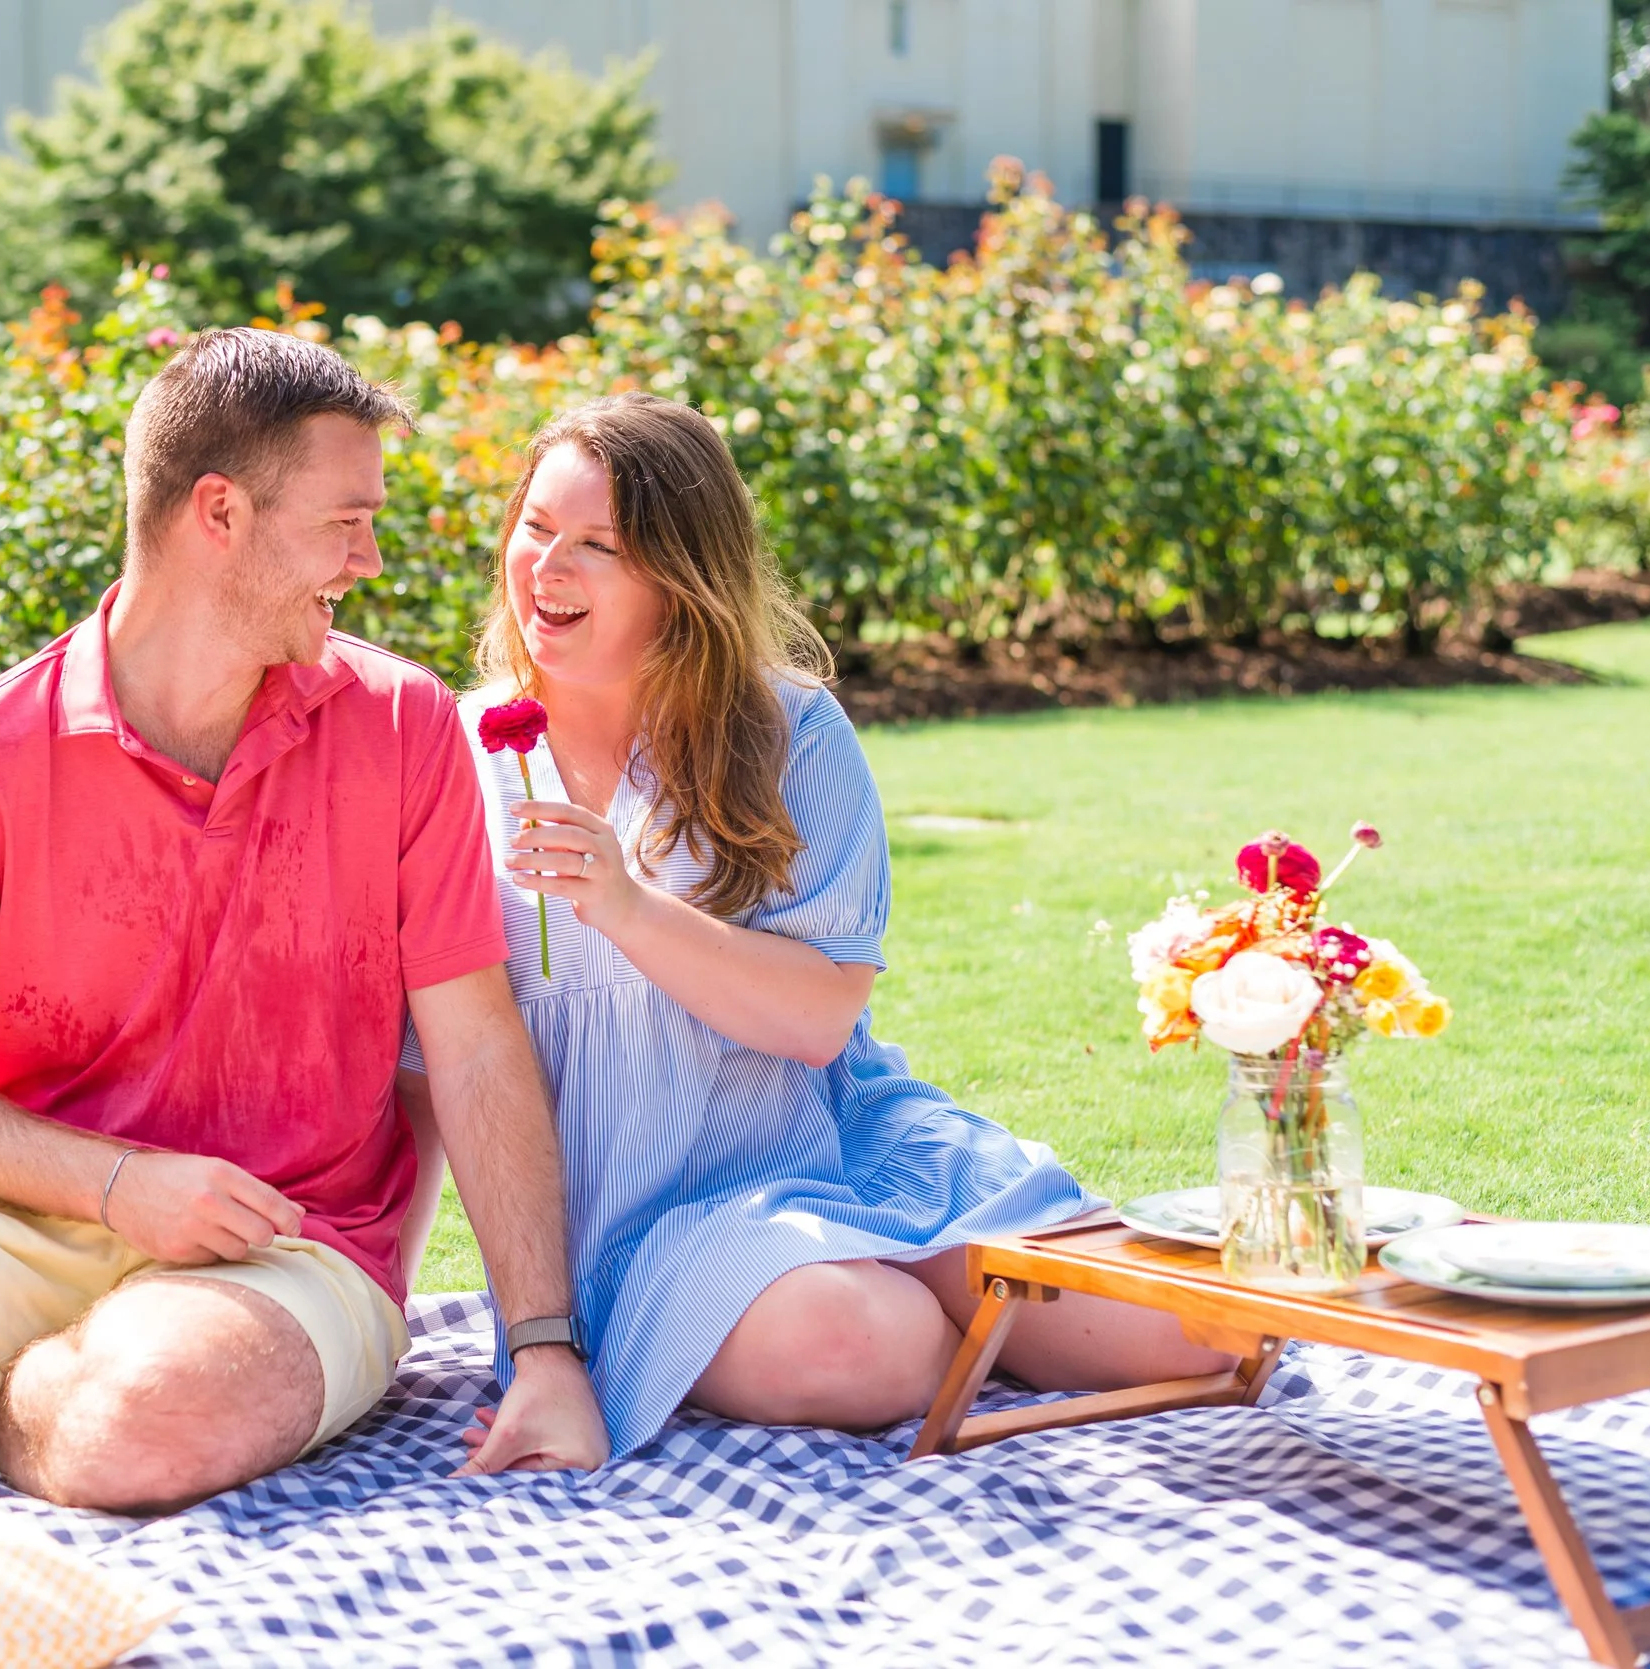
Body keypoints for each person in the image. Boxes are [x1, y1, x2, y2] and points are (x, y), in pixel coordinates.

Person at [0, 328, 608, 1510]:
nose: (369, 555)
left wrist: (546, 1349)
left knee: (135, 1430)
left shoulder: (402, 726)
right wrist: (112, 1186)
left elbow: (474, 1042)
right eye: (343, 519)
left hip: (286, 1239)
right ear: (219, 514)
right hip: (20, 1205)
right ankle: (9, 1366)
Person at [398, 394, 1233, 1458]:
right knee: (857, 1344)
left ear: (682, 576)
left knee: (1204, 1334)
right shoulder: (448, 760)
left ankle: (947, 1295)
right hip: (639, 1224)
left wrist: (623, 903)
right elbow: (435, 1074)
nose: (546, 568)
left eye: (598, 545)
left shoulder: (787, 731)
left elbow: (817, 1022)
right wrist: (456, 1320)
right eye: (534, 527)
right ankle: (936, 1322)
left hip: (840, 1142)